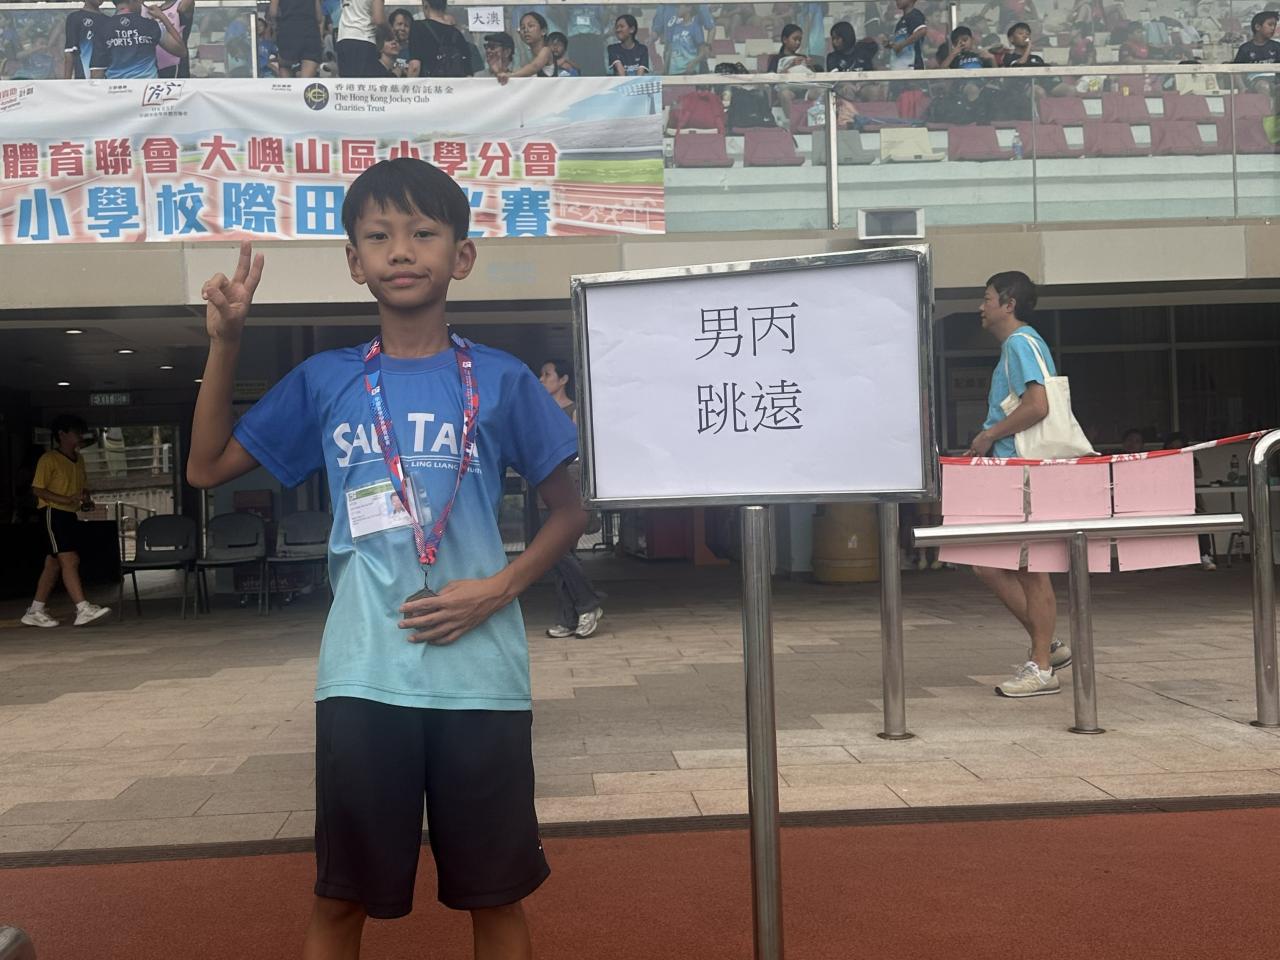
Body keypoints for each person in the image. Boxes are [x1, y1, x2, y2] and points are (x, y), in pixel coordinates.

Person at [187, 159, 586, 958]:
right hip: (364, 676)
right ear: (354, 260)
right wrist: (226, 343)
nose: (401, 250)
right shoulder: (326, 380)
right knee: (342, 902)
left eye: (423, 233)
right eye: (379, 236)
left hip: (482, 681)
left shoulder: (503, 381)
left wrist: (498, 588)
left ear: (461, 256)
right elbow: (205, 468)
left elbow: (571, 510)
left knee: (496, 900)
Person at [965, 271, 1072, 698]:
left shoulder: (1020, 343)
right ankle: (1049, 647)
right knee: (988, 565)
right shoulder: (1021, 344)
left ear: (1009, 304)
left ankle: (1042, 667)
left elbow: (1038, 405)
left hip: (1020, 468)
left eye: (987, 298)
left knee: (1029, 567)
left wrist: (989, 435)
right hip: (1010, 468)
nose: (981, 307)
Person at [537, 359, 605, 640]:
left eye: (547, 374)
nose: (541, 379)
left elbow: (578, 450)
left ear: (563, 379)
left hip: (569, 482)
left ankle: (588, 604)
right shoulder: (540, 410)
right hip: (544, 481)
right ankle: (570, 616)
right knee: (555, 553)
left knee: (559, 549)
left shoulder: (575, 410)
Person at [23, 414, 111, 629]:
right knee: (70, 559)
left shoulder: (79, 459)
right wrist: (65, 499)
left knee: (53, 564)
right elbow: (37, 489)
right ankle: (82, 608)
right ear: (61, 435)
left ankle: (35, 609)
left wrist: (85, 499)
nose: (80, 436)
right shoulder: (49, 459)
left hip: (70, 514)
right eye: (76, 432)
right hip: (53, 513)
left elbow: (82, 486)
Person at [90, 0, 188, 79]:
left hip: (116, 91)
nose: (141, 3)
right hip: (146, 90)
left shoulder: (102, 29)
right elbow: (181, 51)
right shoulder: (151, 25)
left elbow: (96, 73)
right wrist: (162, 17)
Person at [1163, 432, 1217, 571]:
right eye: (1172, 447)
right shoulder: (1161, 459)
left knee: (1200, 522)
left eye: (1179, 447)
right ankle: (1180, 557)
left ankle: (1205, 556)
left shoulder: (1191, 459)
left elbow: (1198, 474)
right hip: (1167, 499)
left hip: (1191, 498)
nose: (1176, 450)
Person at [408, 0, 471, 78]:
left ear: (425, 4)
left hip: (429, 84)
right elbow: (468, 71)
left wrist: (408, 84)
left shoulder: (418, 27)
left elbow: (415, 67)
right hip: (453, 84)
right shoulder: (457, 33)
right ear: (445, 6)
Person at [270, 0, 324, 78]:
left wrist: (275, 25)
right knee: (307, 70)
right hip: (310, 31)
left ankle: (287, 85)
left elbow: (273, 12)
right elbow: (319, 17)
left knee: (285, 65)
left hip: (287, 30)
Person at [496, 11, 552, 82]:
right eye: (522, 27)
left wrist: (510, 75)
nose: (526, 30)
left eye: (531, 26)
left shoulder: (546, 50)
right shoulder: (528, 55)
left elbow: (534, 66)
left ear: (543, 31)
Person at [335, 0, 385, 77]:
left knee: (347, 82)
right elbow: (379, 20)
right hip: (364, 38)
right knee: (363, 82)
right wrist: (391, 35)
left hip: (343, 38)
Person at [659, 4, 711, 75]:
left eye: (679, 6)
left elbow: (702, 52)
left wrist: (693, 63)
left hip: (688, 71)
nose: (677, 9)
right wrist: (665, 68)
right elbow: (670, 49)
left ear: (689, 8)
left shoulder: (695, 28)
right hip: (674, 71)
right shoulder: (675, 27)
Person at [63, 0, 109, 79]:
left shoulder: (108, 20)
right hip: (83, 79)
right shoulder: (74, 18)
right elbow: (69, 52)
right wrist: (66, 81)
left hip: (106, 80)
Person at [151, 0, 193, 78]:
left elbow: (186, 5)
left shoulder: (181, 6)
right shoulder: (152, 10)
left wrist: (161, 16)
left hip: (175, 65)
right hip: (154, 66)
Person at [885, 0, 927, 70]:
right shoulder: (900, 21)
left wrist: (901, 45)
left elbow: (922, 31)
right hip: (899, 66)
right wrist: (889, 44)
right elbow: (898, 44)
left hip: (912, 66)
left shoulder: (914, 14)